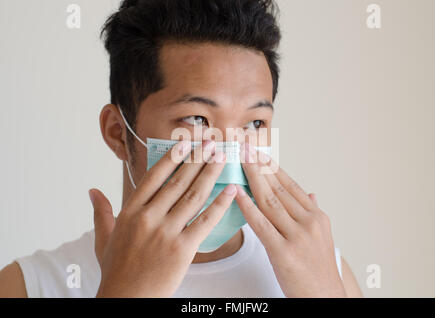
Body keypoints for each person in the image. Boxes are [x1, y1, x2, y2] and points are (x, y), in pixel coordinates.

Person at [0, 0, 362, 297]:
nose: (228, 150)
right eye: (197, 119)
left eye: (254, 124)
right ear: (116, 132)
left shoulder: (322, 268)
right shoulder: (30, 285)